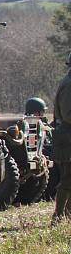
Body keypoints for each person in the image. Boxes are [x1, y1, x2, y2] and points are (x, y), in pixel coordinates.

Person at [52, 55, 71, 223]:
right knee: (67, 179)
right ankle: (58, 216)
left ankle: (67, 215)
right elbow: (68, 115)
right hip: (67, 138)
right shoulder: (69, 84)